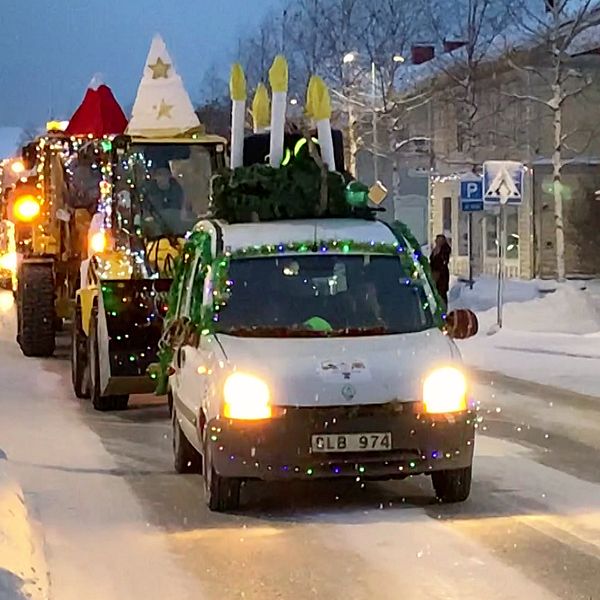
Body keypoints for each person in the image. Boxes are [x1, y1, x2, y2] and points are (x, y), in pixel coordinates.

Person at [430, 234, 451, 307]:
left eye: (439, 240)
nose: (437, 241)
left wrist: (438, 272)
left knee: (442, 292)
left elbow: (444, 261)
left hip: (442, 275)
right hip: (434, 273)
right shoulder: (435, 249)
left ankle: (443, 308)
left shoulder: (445, 250)